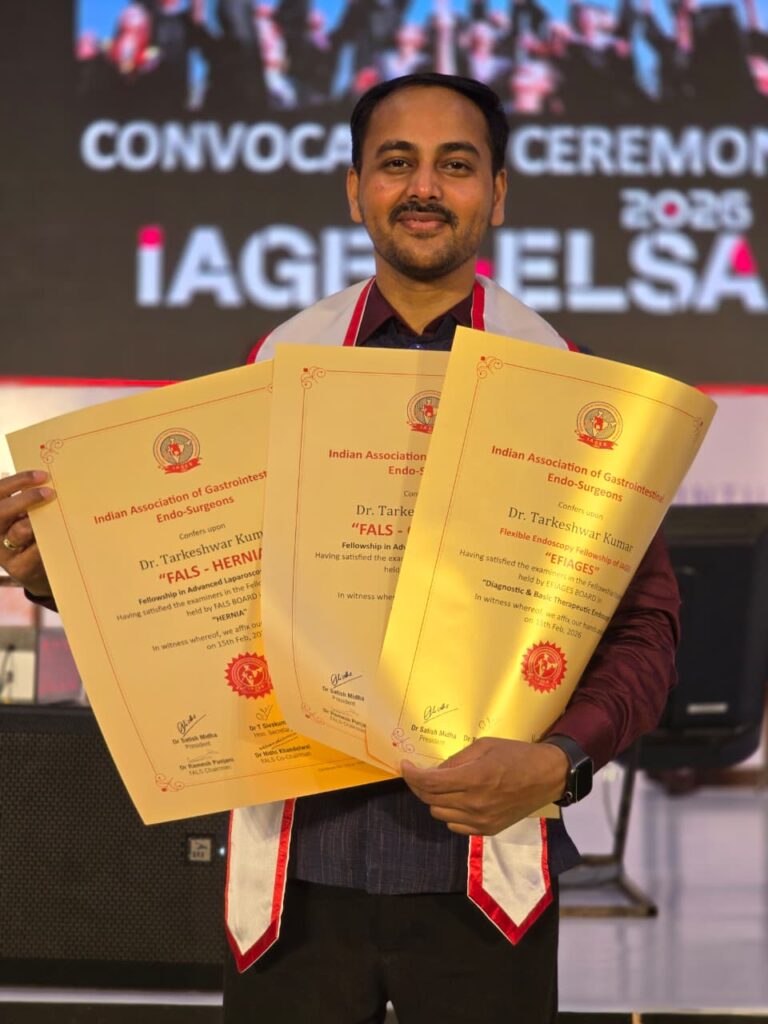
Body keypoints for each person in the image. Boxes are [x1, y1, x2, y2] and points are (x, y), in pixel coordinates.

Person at [0, 73, 680, 1024]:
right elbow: (205, 590)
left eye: (456, 165)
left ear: (498, 193)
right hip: (298, 882)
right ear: (355, 190)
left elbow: (645, 627)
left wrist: (559, 761)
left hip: (480, 872)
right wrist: (62, 574)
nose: (424, 188)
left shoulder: (565, 388)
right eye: (396, 163)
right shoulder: (276, 367)